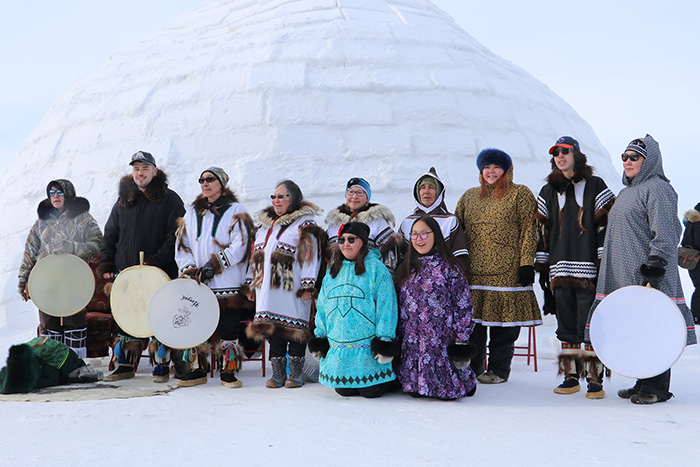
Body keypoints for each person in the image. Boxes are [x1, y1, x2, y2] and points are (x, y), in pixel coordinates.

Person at [585, 135, 696, 404]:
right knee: (636, 326)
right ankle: (642, 380)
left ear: (650, 161)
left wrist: (656, 264)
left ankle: (656, 387)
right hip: (624, 274)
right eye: (624, 156)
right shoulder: (627, 191)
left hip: (647, 273)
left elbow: (667, 230)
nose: (627, 162)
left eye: (634, 157)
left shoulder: (658, 189)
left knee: (654, 326)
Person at [534, 136, 615, 398]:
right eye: (556, 153)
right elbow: (541, 231)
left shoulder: (595, 185)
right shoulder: (548, 191)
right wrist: (543, 267)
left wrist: (603, 260)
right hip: (559, 268)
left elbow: (607, 225)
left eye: (565, 151)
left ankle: (594, 378)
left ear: (576, 155)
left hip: (589, 269)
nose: (560, 156)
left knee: (589, 323)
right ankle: (570, 376)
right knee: (566, 323)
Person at [454, 148, 542, 384]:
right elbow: (456, 232)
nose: (491, 172)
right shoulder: (469, 197)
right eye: (486, 167)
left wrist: (526, 263)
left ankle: (499, 370)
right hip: (475, 272)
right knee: (475, 326)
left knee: (505, 328)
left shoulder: (519, 194)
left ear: (507, 170)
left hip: (508, 272)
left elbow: (528, 230)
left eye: (496, 167)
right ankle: (472, 370)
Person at [98, 151, 185, 381]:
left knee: (159, 316)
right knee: (128, 317)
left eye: (145, 168)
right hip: (127, 271)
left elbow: (176, 235)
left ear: (154, 171)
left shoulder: (170, 199)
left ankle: (161, 364)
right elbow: (111, 234)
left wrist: (157, 259)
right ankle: (126, 364)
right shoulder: (123, 202)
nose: (140, 173)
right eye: (136, 169)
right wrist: (106, 261)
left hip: (158, 270)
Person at [175, 167, 255, 388]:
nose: (205, 183)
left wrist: (216, 263)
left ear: (222, 183)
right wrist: (191, 269)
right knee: (197, 325)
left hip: (227, 280)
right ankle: (198, 369)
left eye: (210, 179)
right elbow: (183, 246)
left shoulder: (236, 210)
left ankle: (228, 371)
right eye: (201, 180)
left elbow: (241, 245)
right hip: (199, 281)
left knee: (228, 327)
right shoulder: (191, 213)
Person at [245, 180, 326, 388]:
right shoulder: (265, 225)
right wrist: (252, 283)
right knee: (273, 328)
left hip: (292, 287)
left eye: (282, 196)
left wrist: (308, 285)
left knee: (295, 328)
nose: (276, 200)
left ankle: (296, 374)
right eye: (274, 196)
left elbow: (311, 254)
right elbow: (256, 256)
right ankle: (278, 374)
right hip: (267, 288)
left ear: (294, 198)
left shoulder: (305, 223)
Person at [309, 222, 398, 398]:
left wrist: (385, 340)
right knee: (343, 390)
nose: (345, 244)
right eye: (341, 240)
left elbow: (386, 306)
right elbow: (323, 307)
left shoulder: (376, 269)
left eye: (351, 239)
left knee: (370, 391)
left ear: (363, 242)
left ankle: (393, 381)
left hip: (367, 350)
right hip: (339, 344)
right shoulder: (334, 271)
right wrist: (320, 337)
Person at [18, 179, 103, 359]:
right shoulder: (41, 222)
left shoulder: (84, 219)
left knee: (74, 323)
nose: (55, 196)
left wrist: (72, 247)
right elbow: (30, 252)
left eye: (59, 192)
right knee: (49, 324)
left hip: (74, 280)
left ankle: (74, 365)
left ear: (68, 193)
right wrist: (23, 281)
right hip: (47, 282)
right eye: (52, 193)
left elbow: (98, 244)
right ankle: (51, 366)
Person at [395, 216, 477, 400]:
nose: (419, 239)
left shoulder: (450, 267)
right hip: (413, 344)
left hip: (441, 343)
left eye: (424, 233)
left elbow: (463, 306)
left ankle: (465, 381)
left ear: (436, 235)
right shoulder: (406, 268)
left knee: (448, 393)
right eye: (414, 235)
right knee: (414, 393)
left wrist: (461, 342)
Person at [397, 167, 469, 269]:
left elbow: (460, 258)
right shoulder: (407, 222)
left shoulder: (450, 221)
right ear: (417, 192)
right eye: (422, 187)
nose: (426, 191)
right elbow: (400, 258)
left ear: (439, 192)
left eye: (431, 187)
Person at [325, 177, 398, 269]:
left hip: (367, 276)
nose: (354, 197)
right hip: (338, 277)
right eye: (351, 192)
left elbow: (389, 252)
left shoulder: (376, 221)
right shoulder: (335, 223)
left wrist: (386, 274)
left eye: (360, 193)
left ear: (367, 198)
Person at [0, 337, 103, 394]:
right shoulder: (20, 358)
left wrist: (35, 383)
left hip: (64, 358)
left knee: (69, 375)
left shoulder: (49, 365)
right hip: (47, 353)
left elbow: (53, 380)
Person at [681, 203, 700, 325]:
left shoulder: (690, 223)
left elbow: (685, 242)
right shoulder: (698, 224)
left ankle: (696, 318)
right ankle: (697, 318)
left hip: (693, 262)